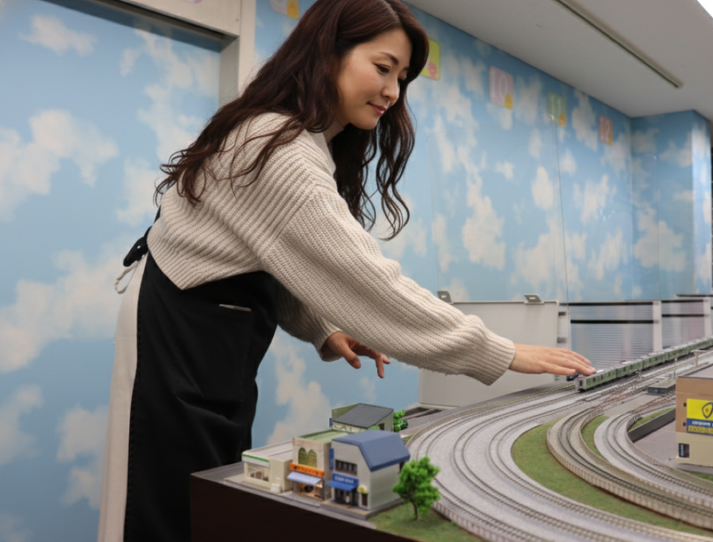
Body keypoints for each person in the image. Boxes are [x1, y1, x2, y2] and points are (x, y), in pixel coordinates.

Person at [97, 0, 594, 540]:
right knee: (157, 508)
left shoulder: (299, 141)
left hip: (214, 343)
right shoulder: (279, 149)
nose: (393, 91)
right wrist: (502, 352)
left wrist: (323, 327)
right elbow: (371, 285)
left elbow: (278, 260)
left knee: (205, 501)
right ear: (326, 53)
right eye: (383, 68)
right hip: (174, 334)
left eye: (402, 78)